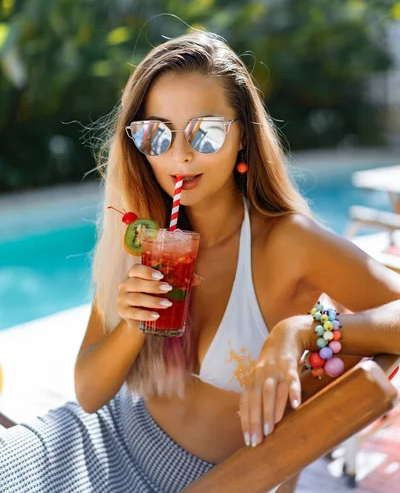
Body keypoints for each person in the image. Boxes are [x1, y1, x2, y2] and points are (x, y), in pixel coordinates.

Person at [0, 30, 399, 493]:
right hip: (85, 442)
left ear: (243, 137)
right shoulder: (142, 235)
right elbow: (90, 397)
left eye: (205, 132)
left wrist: (298, 332)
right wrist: (133, 321)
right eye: (157, 134)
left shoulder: (286, 241)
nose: (180, 155)